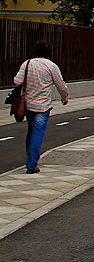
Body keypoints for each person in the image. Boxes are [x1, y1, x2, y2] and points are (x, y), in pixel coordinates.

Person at [14, 41, 69, 174]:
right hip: (42, 106)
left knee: (31, 130)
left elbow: (17, 81)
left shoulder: (27, 63)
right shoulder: (51, 66)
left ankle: (30, 159)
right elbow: (61, 85)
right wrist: (64, 98)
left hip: (27, 104)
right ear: (49, 53)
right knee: (38, 132)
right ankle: (31, 164)